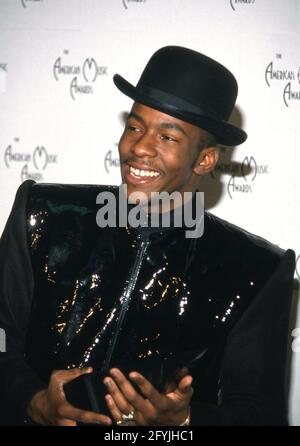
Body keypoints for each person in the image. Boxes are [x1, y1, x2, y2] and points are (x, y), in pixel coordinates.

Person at [0, 46, 295, 426]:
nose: (138, 147)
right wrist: (34, 400)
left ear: (205, 159)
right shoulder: (43, 214)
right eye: (135, 126)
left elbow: (260, 414)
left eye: (168, 137)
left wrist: (184, 423)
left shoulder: (255, 271)